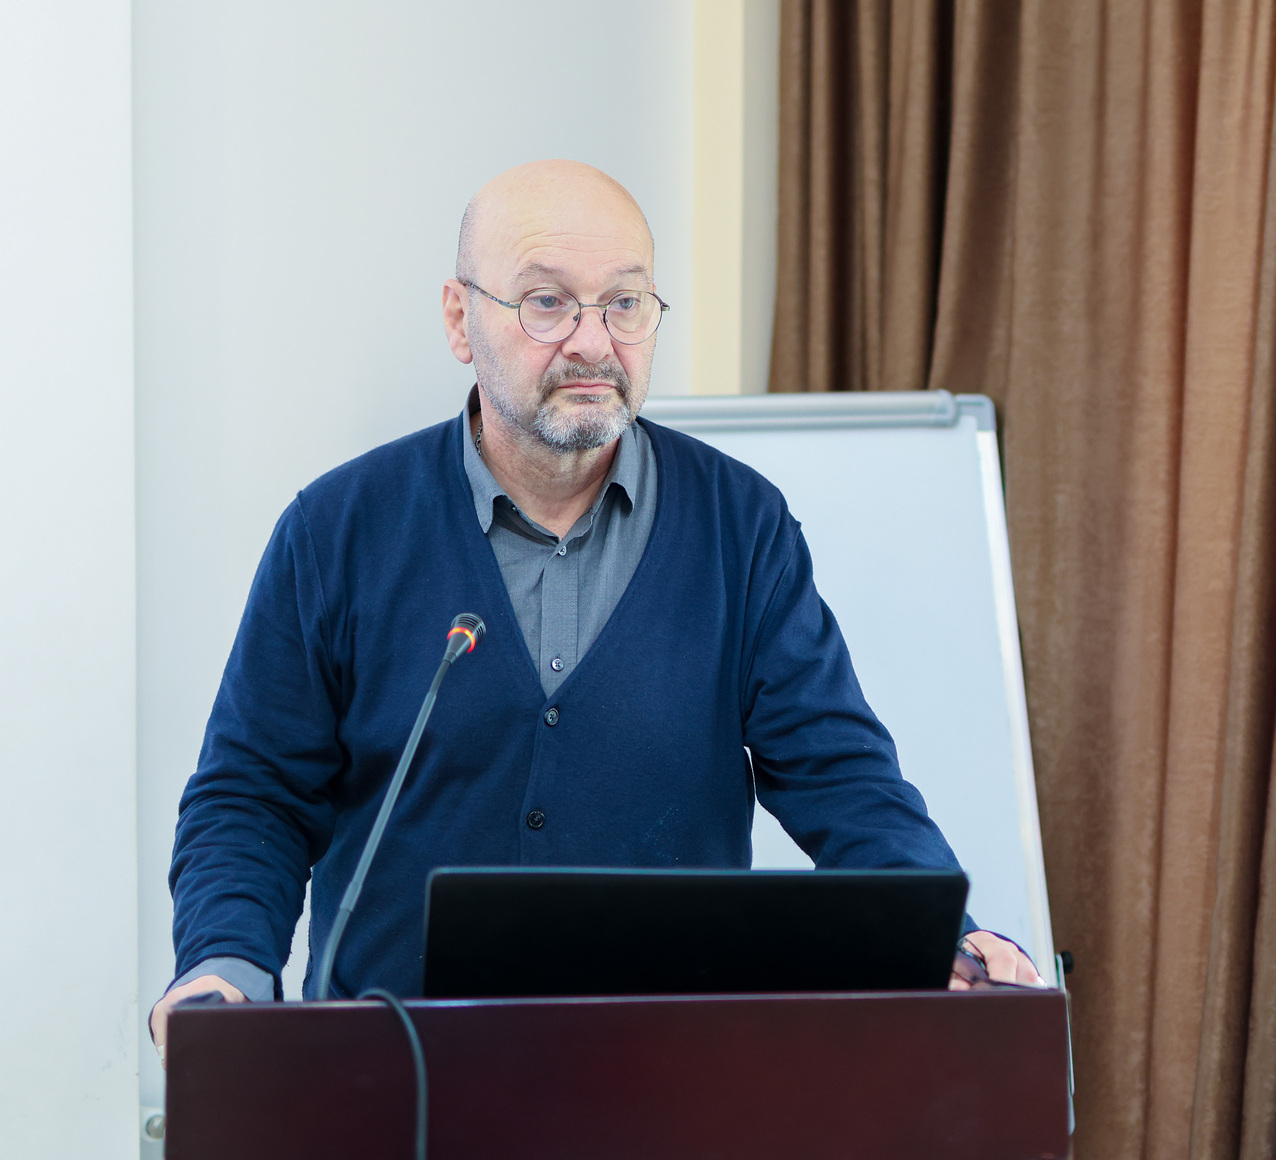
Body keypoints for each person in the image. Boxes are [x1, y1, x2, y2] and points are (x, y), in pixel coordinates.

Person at [151, 160, 1040, 1060]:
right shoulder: (337, 530)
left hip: (667, 1076)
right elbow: (254, 794)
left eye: (625, 303)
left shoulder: (741, 526)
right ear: (461, 319)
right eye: (547, 302)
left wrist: (945, 931)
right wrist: (224, 966)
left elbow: (840, 774)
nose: (593, 341)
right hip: (393, 1077)